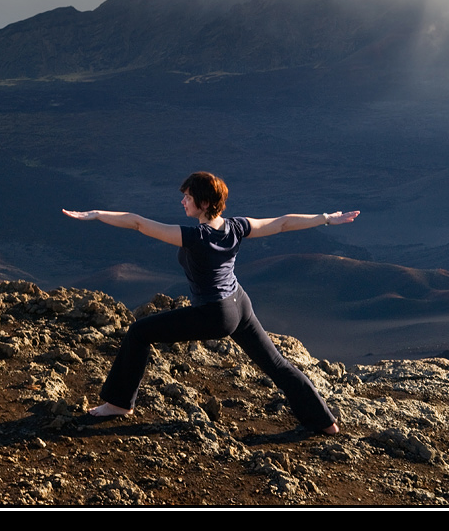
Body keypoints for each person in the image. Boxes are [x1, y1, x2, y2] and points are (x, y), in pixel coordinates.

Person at [63, 171, 359, 435]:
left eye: (188, 197)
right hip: (239, 303)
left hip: (215, 314)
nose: (183, 202)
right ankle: (324, 421)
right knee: (277, 364)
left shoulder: (194, 237)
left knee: (139, 333)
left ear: (204, 204)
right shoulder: (236, 226)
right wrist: (327, 218)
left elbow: (139, 224)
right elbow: (281, 224)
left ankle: (118, 403)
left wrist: (97, 214)